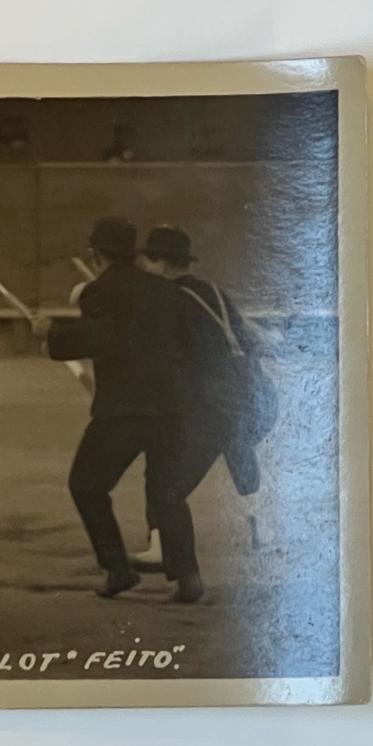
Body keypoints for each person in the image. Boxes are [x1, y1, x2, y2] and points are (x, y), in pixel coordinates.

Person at [37, 217, 204, 603]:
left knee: (86, 484)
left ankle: (117, 568)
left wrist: (51, 334)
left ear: (96, 255)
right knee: (167, 493)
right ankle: (188, 576)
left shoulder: (100, 292)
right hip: (172, 409)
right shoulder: (167, 292)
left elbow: (102, 338)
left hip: (124, 411)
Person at [130, 225, 277, 570]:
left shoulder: (167, 300)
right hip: (255, 393)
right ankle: (265, 531)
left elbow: (164, 359)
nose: (147, 272)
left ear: (163, 265)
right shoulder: (214, 291)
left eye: (149, 264)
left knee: (166, 472)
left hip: (212, 404)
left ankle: (160, 545)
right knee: (239, 449)